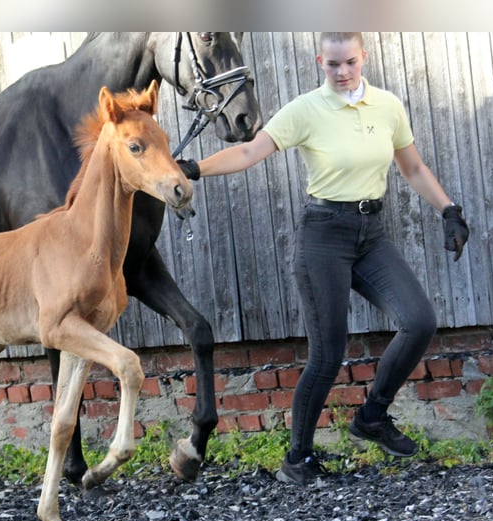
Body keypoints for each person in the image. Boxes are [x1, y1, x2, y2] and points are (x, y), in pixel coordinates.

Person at [178, 32, 469, 485]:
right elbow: (252, 151)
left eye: (350, 62)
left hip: (371, 234)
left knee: (420, 320)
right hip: (322, 236)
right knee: (328, 353)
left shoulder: (387, 106)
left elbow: (411, 167)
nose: (342, 72)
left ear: (363, 58)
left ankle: (373, 415)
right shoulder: (306, 109)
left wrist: (449, 210)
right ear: (321, 62)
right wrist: (196, 168)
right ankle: (298, 459)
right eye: (333, 64)